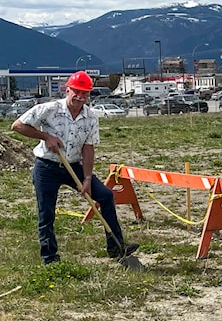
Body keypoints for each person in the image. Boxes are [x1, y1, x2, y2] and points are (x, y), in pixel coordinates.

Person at [11, 71, 138, 265]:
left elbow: (88, 148)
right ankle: (50, 258)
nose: (80, 97)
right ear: (67, 90)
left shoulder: (91, 118)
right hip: (47, 167)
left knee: (105, 195)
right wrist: (46, 137)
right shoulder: (48, 109)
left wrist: (87, 179)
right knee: (46, 213)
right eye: (76, 92)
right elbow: (17, 126)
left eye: (85, 93)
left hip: (74, 166)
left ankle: (116, 246)